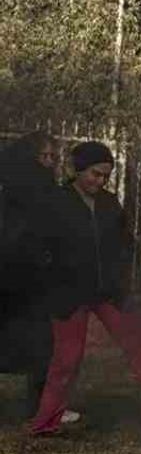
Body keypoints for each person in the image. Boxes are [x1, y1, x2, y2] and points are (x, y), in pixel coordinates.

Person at [28, 141, 141, 435]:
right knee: (67, 359)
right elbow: (39, 249)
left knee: (139, 345)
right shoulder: (56, 202)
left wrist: (121, 275)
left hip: (108, 292)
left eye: (105, 176)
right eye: (95, 174)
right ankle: (45, 422)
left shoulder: (110, 203)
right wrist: (54, 279)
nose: (100, 181)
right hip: (69, 296)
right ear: (78, 170)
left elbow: (126, 244)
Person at [0, 132, 60, 420]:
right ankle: (37, 405)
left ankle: (38, 404)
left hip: (29, 276)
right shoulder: (24, 188)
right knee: (35, 341)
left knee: (40, 343)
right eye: (43, 156)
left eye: (53, 157)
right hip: (17, 273)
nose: (49, 163)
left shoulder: (34, 188)